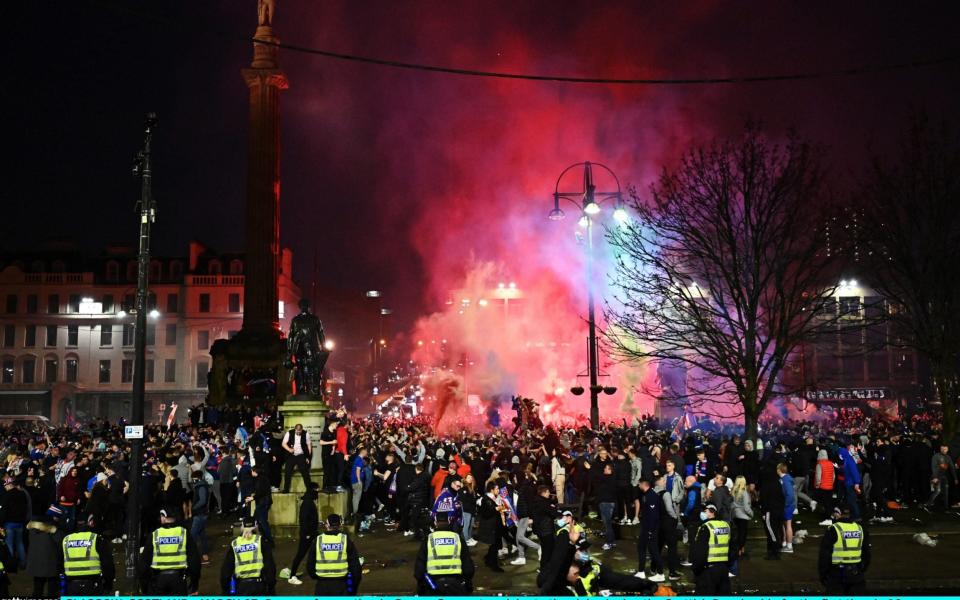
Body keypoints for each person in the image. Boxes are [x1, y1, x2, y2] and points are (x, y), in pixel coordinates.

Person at [139, 507, 201, 595]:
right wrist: (194, 585)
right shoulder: (183, 533)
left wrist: (144, 587)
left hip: (158, 582)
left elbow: (143, 564)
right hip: (179, 581)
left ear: (164, 517)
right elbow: (194, 562)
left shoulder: (155, 535)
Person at [414, 511, 475, 595]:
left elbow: (419, 570)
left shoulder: (429, 539)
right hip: (455, 583)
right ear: (449, 522)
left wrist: (425, 584)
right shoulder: (457, 538)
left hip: (433, 585)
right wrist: (465, 584)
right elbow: (468, 568)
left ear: (435, 523)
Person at [305, 513, 363, 595]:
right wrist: (353, 588)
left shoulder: (318, 540)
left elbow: (310, 565)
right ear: (340, 525)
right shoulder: (345, 540)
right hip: (341, 585)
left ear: (327, 525)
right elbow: (355, 567)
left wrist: (316, 576)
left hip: (322, 585)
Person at [58, 515, 115, 595]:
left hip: (71, 585)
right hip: (93, 585)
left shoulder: (66, 539)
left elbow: (59, 562)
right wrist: (108, 585)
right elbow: (107, 565)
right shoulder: (96, 539)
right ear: (90, 523)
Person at [818, 506, 871, 593]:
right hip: (856, 574)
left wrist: (823, 574)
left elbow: (824, 555)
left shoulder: (834, 529)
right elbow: (867, 553)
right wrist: (862, 569)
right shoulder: (860, 529)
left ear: (838, 514)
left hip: (837, 575)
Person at [220, 516, 277, 595]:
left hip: (241, 587)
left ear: (242, 526)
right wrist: (271, 588)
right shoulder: (261, 541)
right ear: (256, 526)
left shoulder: (235, 544)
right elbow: (270, 567)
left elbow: (226, 572)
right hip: (259, 586)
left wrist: (225, 591)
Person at [690, 503, 735, 594]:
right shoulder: (726, 525)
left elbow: (700, 552)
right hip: (723, 569)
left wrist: (696, 570)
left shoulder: (706, 527)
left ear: (712, 512)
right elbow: (733, 548)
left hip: (708, 570)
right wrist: (728, 564)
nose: (703, 513)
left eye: (705, 511)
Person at [282, 481, 320, 585]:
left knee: (315, 552)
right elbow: (303, 519)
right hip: (307, 534)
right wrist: (307, 533)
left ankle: (313, 571)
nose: (318, 492)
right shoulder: (308, 503)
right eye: (317, 490)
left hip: (311, 532)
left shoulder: (309, 501)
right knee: (301, 554)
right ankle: (292, 576)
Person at [27, 510, 64, 597]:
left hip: (36, 564)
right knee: (52, 591)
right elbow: (61, 545)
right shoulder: (55, 532)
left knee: (37, 590)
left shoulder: (32, 530)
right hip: (51, 565)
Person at [634, 478, 665, 581]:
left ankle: (660, 574)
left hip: (651, 528)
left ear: (644, 484)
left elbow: (653, 515)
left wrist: (651, 530)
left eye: (639, 484)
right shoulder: (646, 495)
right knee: (641, 547)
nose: (638, 486)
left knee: (654, 551)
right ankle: (641, 571)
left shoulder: (651, 496)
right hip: (646, 527)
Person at [477, 480, 505, 572]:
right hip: (491, 527)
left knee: (494, 545)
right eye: (497, 489)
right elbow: (486, 513)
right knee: (494, 546)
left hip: (495, 526)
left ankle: (489, 559)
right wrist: (496, 508)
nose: (498, 490)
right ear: (491, 490)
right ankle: (493, 564)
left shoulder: (492, 498)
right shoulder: (486, 500)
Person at [281, 423, 313, 493]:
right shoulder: (289, 433)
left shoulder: (306, 434)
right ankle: (286, 489)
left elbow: (309, 445)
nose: (298, 432)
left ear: (301, 430)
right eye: (297, 431)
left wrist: (308, 457)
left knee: (305, 472)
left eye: (300, 431)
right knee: (287, 471)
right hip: (291, 455)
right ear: (295, 429)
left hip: (301, 455)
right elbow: (283, 443)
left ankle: (309, 489)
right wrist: (289, 449)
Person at [247, 465, 274, 544]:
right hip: (264, 502)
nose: (251, 472)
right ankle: (266, 538)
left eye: (252, 471)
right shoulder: (262, 478)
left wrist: (253, 498)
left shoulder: (261, 479)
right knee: (260, 520)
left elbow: (261, 492)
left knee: (262, 521)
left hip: (263, 502)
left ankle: (268, 539)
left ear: (255, 471)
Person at [730, 476, 753, 569]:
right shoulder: (744, 493)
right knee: (742, 534)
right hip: (743, 516)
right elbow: (747, 507)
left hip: (735, 515)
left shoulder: (733, 492)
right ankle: (740, 551)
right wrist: (751, 514)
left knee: (737, 534)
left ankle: (737, 550)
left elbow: (731, 504)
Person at [927, 443, 957, 511]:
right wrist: (934, 477)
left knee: (946, 491)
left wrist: (955, 478)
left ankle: (945, 507)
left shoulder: (948, 457)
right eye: (942, 449)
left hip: (944, 477)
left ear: (947, 449)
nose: (943, 450)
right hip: (936, 476)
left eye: (945, 449)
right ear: (940, 449)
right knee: (937, 491)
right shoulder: (936, 456)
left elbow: (952, 468)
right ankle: (928, 504)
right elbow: (933, 467)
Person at [190, 469, 211, 565]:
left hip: (199, 514)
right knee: (202, 536)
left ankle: (192, 555)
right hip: (202, 514)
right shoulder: (201, 486)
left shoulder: (201, 487)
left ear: (197, 478)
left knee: (192, 535)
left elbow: (202, 500)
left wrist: (194, 508)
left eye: (193, 478)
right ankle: (205, 555)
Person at [814, 449, 836, 524]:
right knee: (829, 502)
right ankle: (829, 516)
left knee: (823, 503)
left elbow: (818, 476)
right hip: (830, 487)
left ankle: (827, 518)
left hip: (822, 486)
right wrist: (831, 483)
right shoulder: (831, 463)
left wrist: (817, 485)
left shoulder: (819, 464)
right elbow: (833, 476)